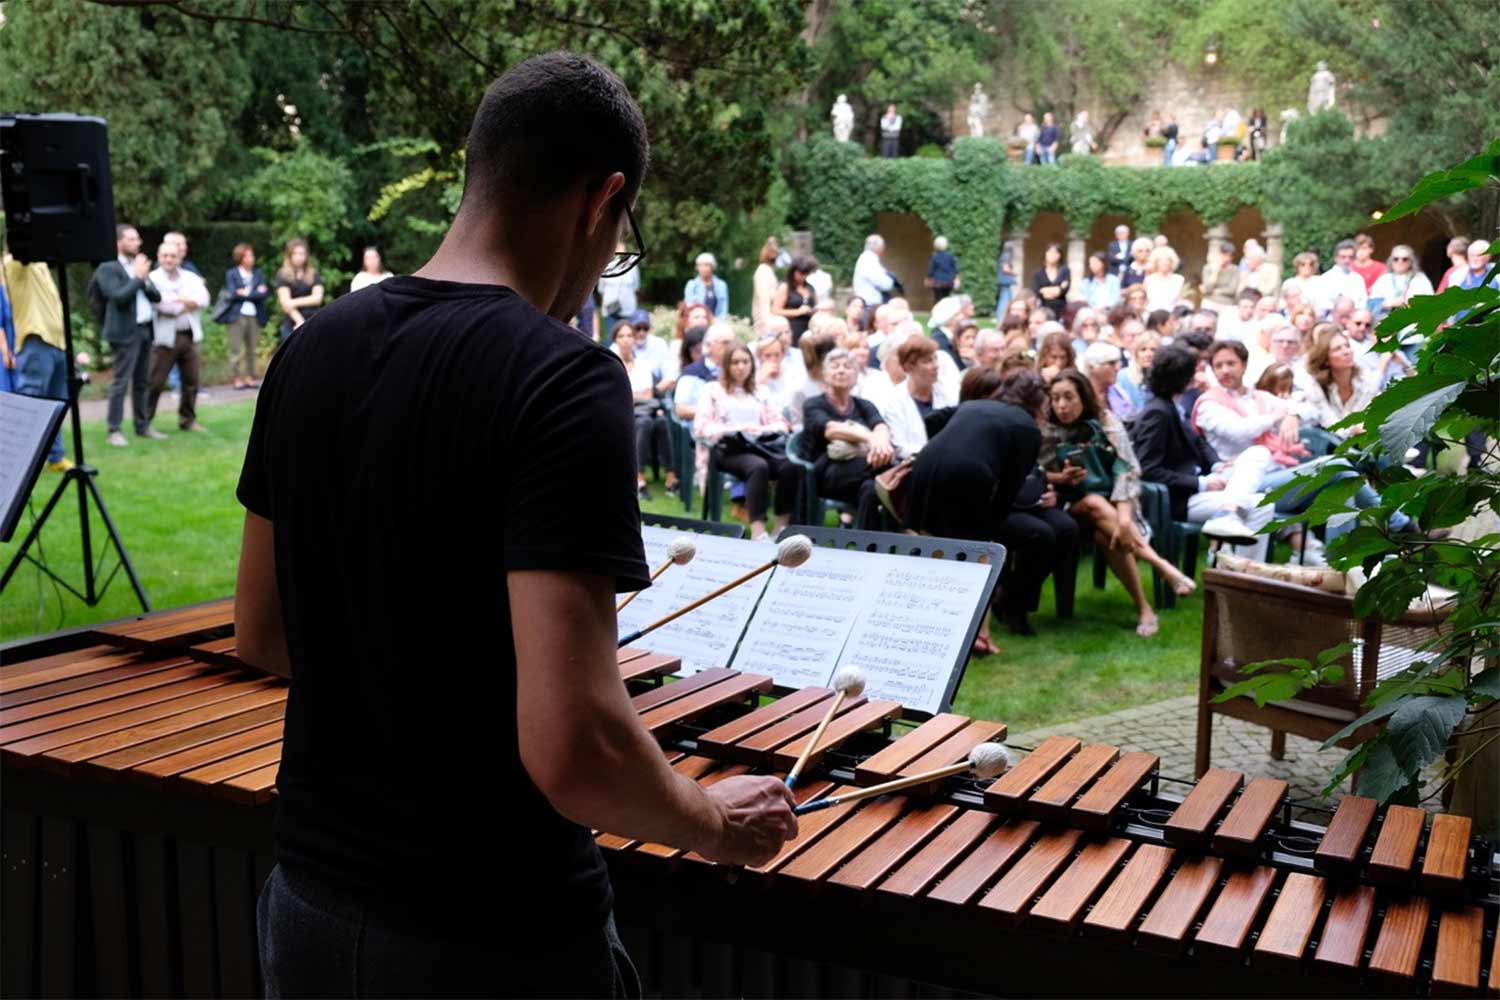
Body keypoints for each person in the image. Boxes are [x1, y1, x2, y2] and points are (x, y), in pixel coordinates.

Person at [235, 53, 796, 998]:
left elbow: (264, 633)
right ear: (600, 199)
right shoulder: (563, 379)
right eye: (618, 241)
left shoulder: (308, 351)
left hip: (309, 912)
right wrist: (711, 821)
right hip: (492, 935)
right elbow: (573, 745)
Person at [1041, 370, 1194, 637]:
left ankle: (1145, 609)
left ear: (1083, 397)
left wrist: (1124, 519)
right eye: (1055, 399)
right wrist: (1061, 477)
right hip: (1067, 508)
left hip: (1111, 507)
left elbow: (1126, 469)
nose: (1061, 406)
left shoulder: (1105, 422)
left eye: (1068, 397)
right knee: (1093, 502)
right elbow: (1038, 473)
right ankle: (1162, 566)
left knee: (1107, 534)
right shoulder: (1049, 430)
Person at [907, 368, 1046, 642]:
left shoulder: (974, 404)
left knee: (933, 544)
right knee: (976, 556)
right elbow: (1010, 485)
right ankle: (978, 635)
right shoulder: (1027, 427)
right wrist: (992, 524)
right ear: (1039, 402)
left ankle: (929, 620)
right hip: (968, 476)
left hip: (925, 465)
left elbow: (934, 419)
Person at [1131, 345, 1276, 548]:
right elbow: (1148, 469)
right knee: (1261, 504)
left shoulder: (1173, 405)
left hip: (1203, 483)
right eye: (1194, 371)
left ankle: (1228, 518)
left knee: (1258, 453)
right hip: (1179, 498)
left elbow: (1198, 442)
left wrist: (1217, 465)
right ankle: (1238, 570)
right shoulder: (1158, 413)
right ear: (1184, 378)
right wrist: (1201, 483)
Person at [694, 343, 797, 539]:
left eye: (745, 361)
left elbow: (780, 423)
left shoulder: (760, 392)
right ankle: (758, 531)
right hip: (727, 449)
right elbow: (701, 427)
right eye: (735, 362)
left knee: (789, 466)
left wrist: (761, 429)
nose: (741, 367)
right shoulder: (713, 390)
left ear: (752, 364)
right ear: (726, 365)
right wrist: (734, 430)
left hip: (760, 445)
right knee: (757, 467)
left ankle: (780, 528)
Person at [802, 347, 893, 528]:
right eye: (835, 366)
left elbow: (881, 426)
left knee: (870, 490)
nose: (841, 370)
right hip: (828, 471)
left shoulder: (863, 405)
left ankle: (869, 547)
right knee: (890, 474)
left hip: (865, 470)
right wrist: (870, 438)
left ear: (856, 374)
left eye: (847, 366)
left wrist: (881, 443)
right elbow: (831, 430)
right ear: (825, 374)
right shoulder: (814, 404)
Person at [95, 225, 164, 447]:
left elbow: (156, 296)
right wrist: (137, 277)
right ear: (119, 243)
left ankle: (142, 427)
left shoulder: (138, 267)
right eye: (132, 239)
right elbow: (118, 297)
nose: (138, 243)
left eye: (137, 239)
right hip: (124, 332)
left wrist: (143, 279)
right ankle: (114, 430)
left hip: (145, 329)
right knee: (120, 381)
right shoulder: (108, 268)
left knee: (142, 382)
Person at [3, 251, 71, 469]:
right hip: (35, 341)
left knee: (57, 404)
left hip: (57, 342)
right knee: (30, 404)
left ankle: (55, 457)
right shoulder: (14, 264)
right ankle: (18, 463)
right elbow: (19, 253)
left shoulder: (41, 263)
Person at [147, 241, 209, 433]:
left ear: (179, 257)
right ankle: (145, 422)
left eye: (172, 256)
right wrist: (188, 302)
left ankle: (187, 420)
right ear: (158, 256)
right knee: (155, 382)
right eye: (165, 255)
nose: (168, 259)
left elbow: (204, 299)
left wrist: (179, 300)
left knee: (191, 381)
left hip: (188, 335)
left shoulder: (190, 277)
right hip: (165, 338)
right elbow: (162, 306)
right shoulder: (152, 279)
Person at [612, 321, 675, 499]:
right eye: (621, 336)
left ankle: (668, 476)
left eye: (629, 335)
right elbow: (615, 395)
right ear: (615, 340)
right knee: (651, 420)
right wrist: (633, 395)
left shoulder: (643, 364)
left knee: (658, 421)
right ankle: (640, 477)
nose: (626, 340)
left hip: (642, 412)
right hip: (620, 414)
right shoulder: (611, 362)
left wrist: (630, 394)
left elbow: (648, 395)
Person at [880, 336, 954, 455]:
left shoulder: (948, 393)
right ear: (908, 367)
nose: (935, 365)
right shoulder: (893, 400)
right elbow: (900, 446)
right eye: (927, 361)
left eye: (935, 359)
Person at [215, 243, 270, 390]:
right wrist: (254, 293)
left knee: (252, 349)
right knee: (236, 349)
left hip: (255, 315)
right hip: (237, 315)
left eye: (251, 255)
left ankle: (250, 377)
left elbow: (263, 294)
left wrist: (245, 293)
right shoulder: (232, 273)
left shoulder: (258, 274)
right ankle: (237, 378)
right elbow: (233, 294)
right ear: (240, 257)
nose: (250, 258)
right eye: (247, 255)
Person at [673, 321, 733, 420]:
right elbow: (681, 410)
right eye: (725, 343)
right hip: (701, 427)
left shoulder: (737, 370)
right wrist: (711, 411)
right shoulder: (691, 373)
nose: (731, 348)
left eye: (732, 343)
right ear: (709, 345)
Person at [273, 238, 324, 341]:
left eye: (302, 253)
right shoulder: (282, 274)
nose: (299, 257)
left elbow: (317, 299)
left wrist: (292, 302)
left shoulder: (314, 273)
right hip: (292, 323)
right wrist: (300, 322)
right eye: (295, 253)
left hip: (313, 320)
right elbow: (285, 303)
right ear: (289, 255)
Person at [1369, 243, 1433, 322]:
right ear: (1391, 261)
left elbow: (1431, 302)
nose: (1400, 262)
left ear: (1411, 262)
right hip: (1387, 323)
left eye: (1404, 259)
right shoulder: (1384, 279)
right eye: (1396, 259)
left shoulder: (1420, 279)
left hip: (1413, 323)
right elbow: (1371, 304)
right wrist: (1389, 303)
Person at [598, 241, 642, 344]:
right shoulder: (606, 266)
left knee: (628, 339)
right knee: (610, 339)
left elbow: (636, 286)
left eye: (623, 250)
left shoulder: (633, 268)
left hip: (628, 310)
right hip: (610, 309)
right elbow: (601, 289)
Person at [1080, 340, 1136, 423]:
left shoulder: (1121, 395)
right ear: (1092, 366)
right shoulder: (1081, 397)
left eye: (1117, 363)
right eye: (1111, 363)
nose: (1117, 368)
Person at [771, 255, 817, 346]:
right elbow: (775, 311)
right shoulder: (785, 288)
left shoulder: (810, 288)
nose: (803, 276)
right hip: (793, 329)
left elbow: (816, 305)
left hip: (809, 328)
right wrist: (798, 312)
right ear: (793, 271)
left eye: (806, 274)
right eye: (800, 273)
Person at [1316, 240, 1368, 316]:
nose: (1347, 260)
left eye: (1350, 257)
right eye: (1343, 257)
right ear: (1336, 258)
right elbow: (1323, 303)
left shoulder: (1358, 278)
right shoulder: (1326, 278)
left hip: (1354, 318)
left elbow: (1363, 302)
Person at [1116, 327, 1157, 412]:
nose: (1148, 354)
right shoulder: (1124, 375)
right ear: (1136, 353)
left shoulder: (1164, 376)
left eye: (1153, 350)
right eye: (1143, 350)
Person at [1030, 243, 1071, 320]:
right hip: (1043, 308)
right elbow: (1036, 291)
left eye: (1056, 252)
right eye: (1050, 252)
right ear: (1045, 254)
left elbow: (1062, 290)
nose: (1053, 255)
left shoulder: (1065, 271)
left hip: (1061, 309)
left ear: (1060, 255)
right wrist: (1057, 288)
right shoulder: (1038, 273)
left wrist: (1045, 290)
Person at [853, 234, 895, 307]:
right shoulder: (869, 260)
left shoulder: (867, 258)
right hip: (870, 303)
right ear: (878, 247)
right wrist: (891, 280)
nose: (883, 249)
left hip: (868, 302)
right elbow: (884, 283)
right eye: (883, 246)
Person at [1199, 240, 1240, 314]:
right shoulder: (1208, 268)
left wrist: (1217, 291)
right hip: (1210, 300)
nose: (1227, 258)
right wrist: (1215, 272)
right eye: (1224, 254)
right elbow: (1207, 288)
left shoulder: (1235, 269)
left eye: (1230, 255)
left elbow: (1232, 290)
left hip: (1226, 302)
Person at [683, 252, 728, 318]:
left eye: (706, 265)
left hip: (716, 322)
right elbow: (689, 306)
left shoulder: (721, 285)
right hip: (697, 322)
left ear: (712, 267)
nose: (703, 269)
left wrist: (718, 322)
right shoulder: (691, 285)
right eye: (700, 265)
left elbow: (723, 309)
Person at [1143, 245, 1184, 312]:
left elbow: (1180, 301)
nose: (1164, 263)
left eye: (1167, 260)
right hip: (1151, 315)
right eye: (1160, 260)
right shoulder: (1149, 279)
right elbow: (1145, 302)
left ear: (1172, 262)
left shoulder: (1179, 279)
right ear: (1155, 262)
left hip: (1171, 316)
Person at [751, 237, 779, 333]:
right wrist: (766, 323)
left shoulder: (769, 270)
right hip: (764, 320)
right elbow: (764, 299)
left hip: (770, 317)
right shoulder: (762, 271)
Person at [926, 236, 960, 303]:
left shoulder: (935, 256)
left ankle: (936, 311)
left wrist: (928, 278)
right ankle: (946, 312)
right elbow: (955, 269)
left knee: (937, 299)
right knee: (946, 298)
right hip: (948, 282)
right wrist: (957, 278)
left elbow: (931, 270)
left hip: (937, 282)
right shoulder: (950, 256)